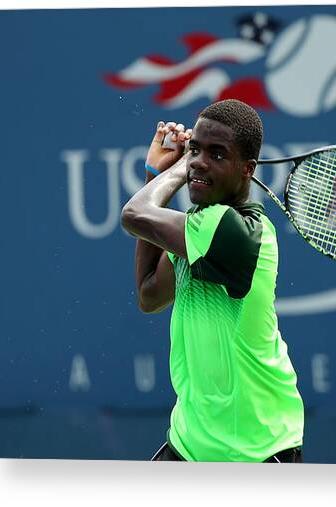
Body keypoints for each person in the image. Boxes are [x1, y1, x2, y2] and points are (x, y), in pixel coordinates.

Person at [121, 99, 304, 463]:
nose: (201, 161)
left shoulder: (240, 232)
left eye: (217, 155)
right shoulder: (195, 231)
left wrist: (176, 169)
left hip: (257, 450)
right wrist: (156, 177)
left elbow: (135, 214)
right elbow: (148, 295)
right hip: (190, 445)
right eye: (196, 149)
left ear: (247, 169)